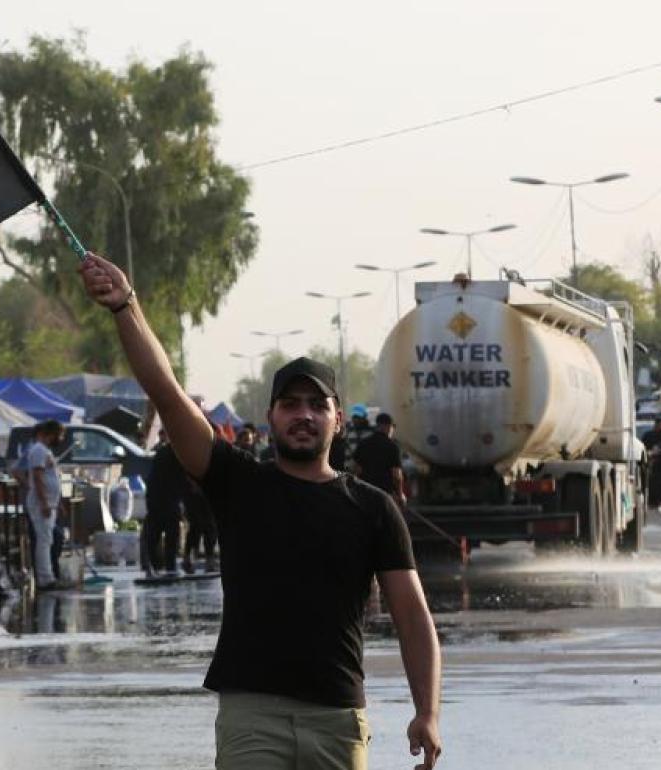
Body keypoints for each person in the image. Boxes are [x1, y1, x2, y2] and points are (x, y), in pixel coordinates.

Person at [79, 252, 441, 770]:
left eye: (317, 405)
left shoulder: (372, 508)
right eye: (291, 404)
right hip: (252, 716)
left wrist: (427, 711)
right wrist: (126, 307)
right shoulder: (237, 482)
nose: (304, 415)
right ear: (270, 416)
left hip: (336, 719)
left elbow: (412, 615)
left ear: (338, 419)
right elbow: (166, 391)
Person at [26, 420, 64, 589]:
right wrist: (44, 502)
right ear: (50, 434)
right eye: (59, 435)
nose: (60, 439)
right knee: (44, 540)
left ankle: (47, 576)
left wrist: (58, 502)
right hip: (42, 503)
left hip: (50, 502)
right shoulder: (38, 451)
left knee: (47, 539)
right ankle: (45, 579)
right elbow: (38, 478)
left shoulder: (45, 451)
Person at [144, 432, 185, 577]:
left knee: (154, 535)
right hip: (167, 500)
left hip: (157, 498)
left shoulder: (163, 452)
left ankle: (152, 566)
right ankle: (169, 566)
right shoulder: (177, 454)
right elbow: (182, 478)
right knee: (170, 534)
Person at [352, 412, 408, 508]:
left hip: (366, 494)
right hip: (385, 495)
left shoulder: (363, 444)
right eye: (392, 427)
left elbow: (357, 470)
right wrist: (400, 495)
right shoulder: (392, 446)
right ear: (388, 426)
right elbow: (396, 475)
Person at [641, 417, 661, 512]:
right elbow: (644, 447)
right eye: (659, 425)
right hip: (651, 461)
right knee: (652, 483)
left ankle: (660, 501)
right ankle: (652, 501)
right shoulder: (648, 435)